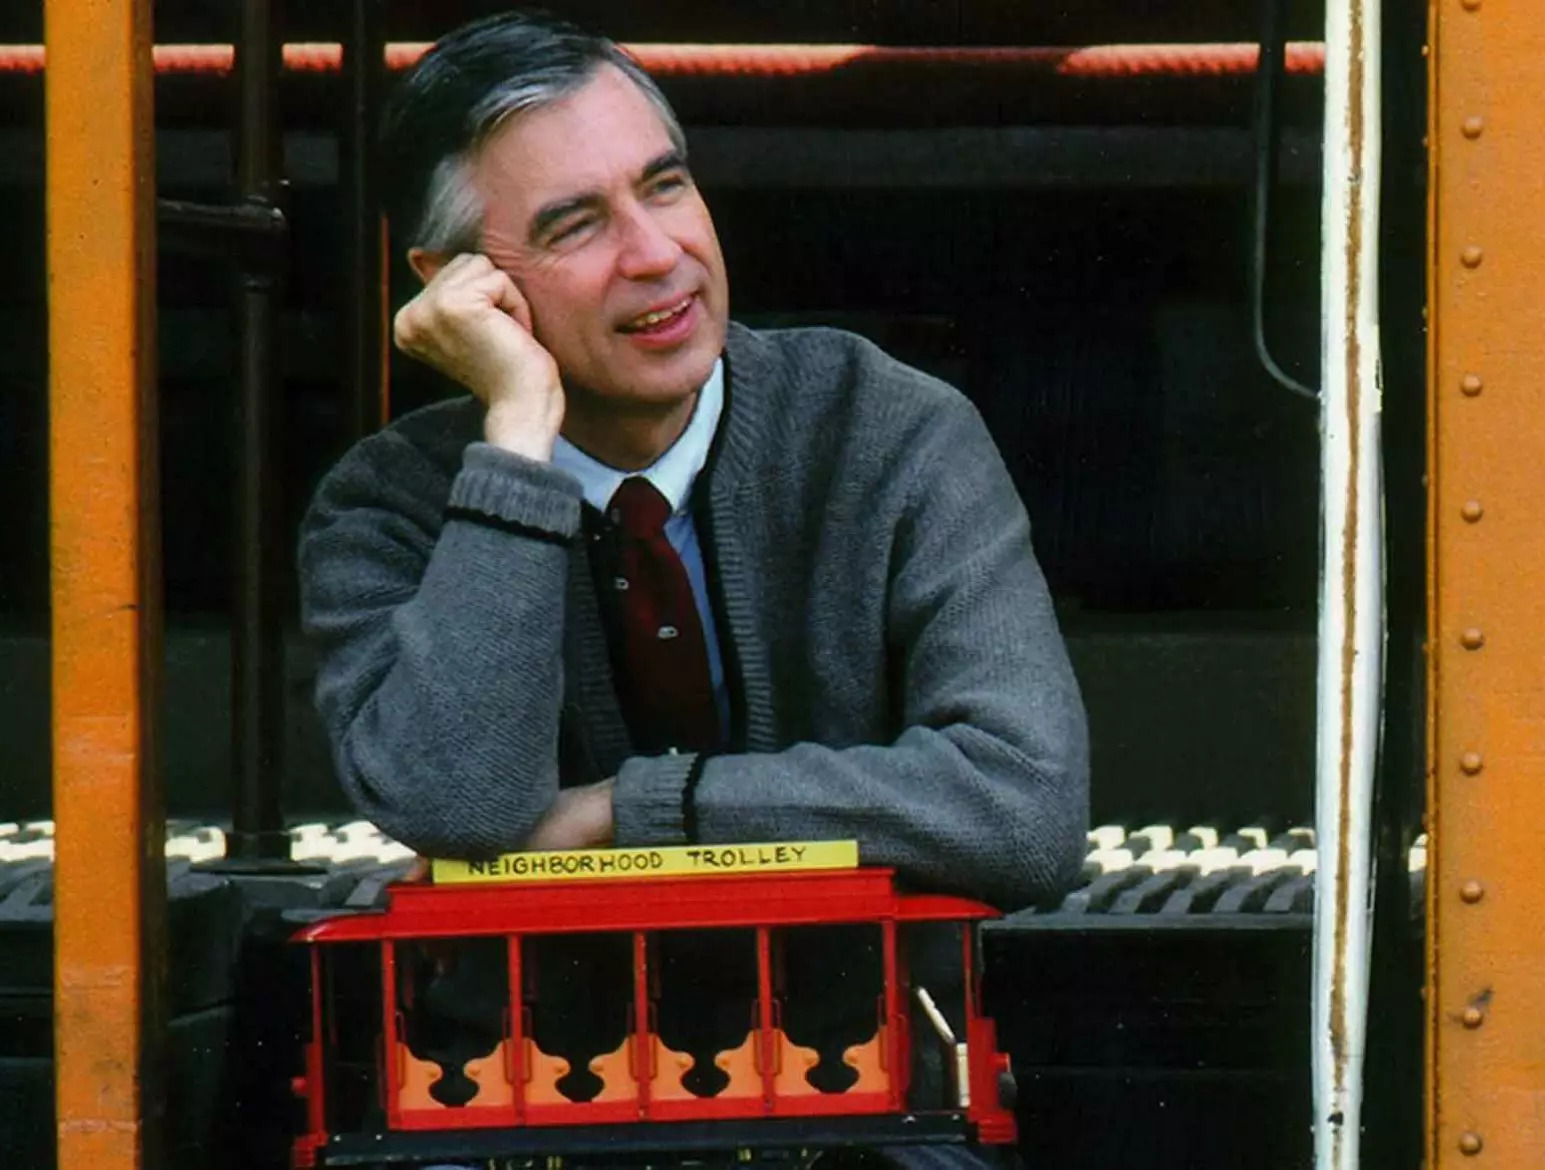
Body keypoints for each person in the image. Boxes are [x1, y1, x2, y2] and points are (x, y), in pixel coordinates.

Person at [298, 10, 1087, 915]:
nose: (656, 254)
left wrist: (629, 812)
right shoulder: (382, 505)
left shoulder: (888, 429)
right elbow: (460, 808)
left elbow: (1027, 813)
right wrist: (516, 437)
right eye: (575, 225)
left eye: (664, 186)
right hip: (534, 1055)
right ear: (454, 280)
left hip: (860, 1046)